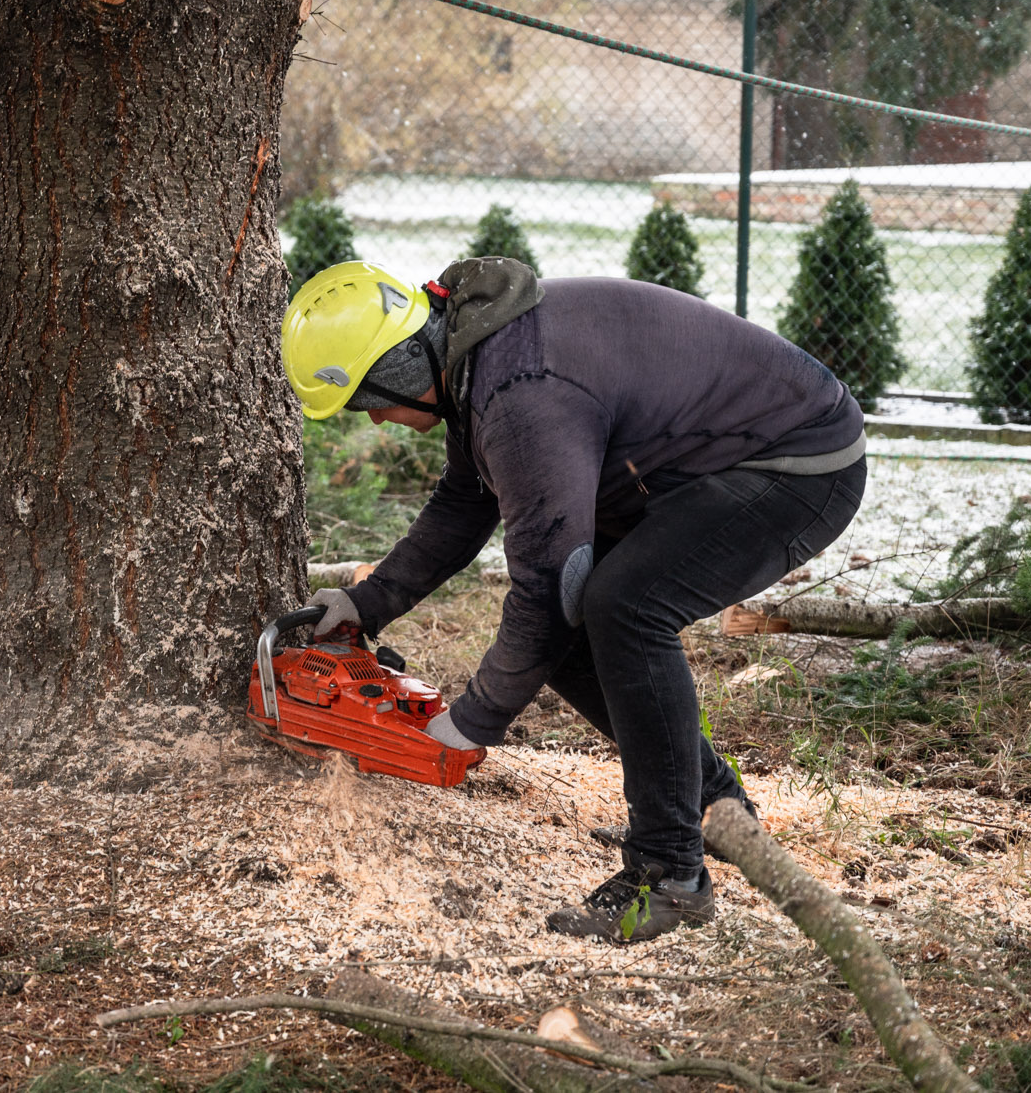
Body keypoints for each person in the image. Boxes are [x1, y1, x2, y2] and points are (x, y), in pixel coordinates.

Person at [280, 258, 866, 943]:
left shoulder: (519, 391)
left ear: (401, 366)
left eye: (367, 401)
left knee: (624, 606)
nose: (377, 419)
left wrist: (469, 724)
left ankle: (669, 876)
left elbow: (547, 584)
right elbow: (464, 505)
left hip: (797, 461)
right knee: (582, 615)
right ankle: (709, 808)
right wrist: (368, 603)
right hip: (702, 461)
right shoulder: (476, 359)